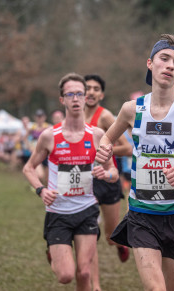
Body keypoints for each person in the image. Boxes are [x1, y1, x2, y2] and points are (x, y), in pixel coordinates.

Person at [95, 34, 174, 290]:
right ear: (150, 64)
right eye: (164, 59)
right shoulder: (132, 109)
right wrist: (104, 150)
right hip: (142, 214)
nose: (170, 65)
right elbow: (107, 137)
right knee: (156, 288)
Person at [22, 73, 119, 290]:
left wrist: (106, 175)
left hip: (87, 210)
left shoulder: (97, 135)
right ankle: (54, 251)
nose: (75, 99)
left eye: (79, 94)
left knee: (84, 272)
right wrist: (40, 190)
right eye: (70, 94)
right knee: (65, 275)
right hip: (58, 213)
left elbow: (113, 171)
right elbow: (28, 168)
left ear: (86, 98)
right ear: (62, 99)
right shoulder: (49, 136)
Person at [83, 74, 133, 291]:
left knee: (111, 236)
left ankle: (119, 243)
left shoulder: (105, 117)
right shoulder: (74, 118)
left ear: (101, 95)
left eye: (95, 89)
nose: (91, 92)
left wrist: (103, 151)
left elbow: (127, 148)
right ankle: (95, 285)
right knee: (89, 233)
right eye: (87, 88)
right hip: (86, 181)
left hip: (108, 178)